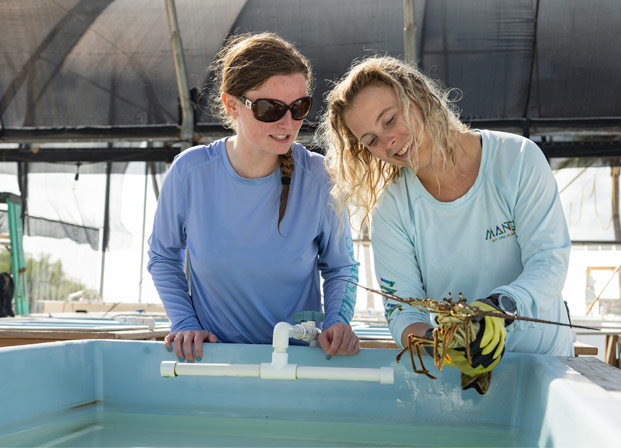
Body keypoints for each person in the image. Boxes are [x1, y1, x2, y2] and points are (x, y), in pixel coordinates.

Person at [318, 55, 573, 389]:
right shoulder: (391, 209)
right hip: (462, 379)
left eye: (390, 119)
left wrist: (500, 307)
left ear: (419, 96)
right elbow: (402, 311)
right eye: (371, 141)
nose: (388, 141)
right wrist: (443, 343)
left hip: (545, 367)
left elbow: (549, 259)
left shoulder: (518, 158)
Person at [148, 32, 360, 363]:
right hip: (214, 361)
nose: (289, 123)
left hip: (299, 364)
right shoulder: (189, 173)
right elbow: (163, 256)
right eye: (269, 109)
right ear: (232, 104)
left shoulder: (320, 178)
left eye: (299, 107)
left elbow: (342, 267)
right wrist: (185, 322)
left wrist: (337, 321)